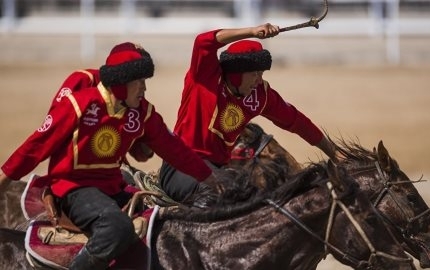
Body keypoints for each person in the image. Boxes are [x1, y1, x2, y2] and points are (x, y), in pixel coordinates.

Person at [0, 42, 217, 269]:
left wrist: (208, 177)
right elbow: (36, 145)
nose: (144, 88)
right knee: (117, 227)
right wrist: (4, 180)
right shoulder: (79, 104)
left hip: (113, 187)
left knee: (162, 219)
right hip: (73, 189)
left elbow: (174, 149)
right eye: (140, 82)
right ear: (121, 84)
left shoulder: (142, 113)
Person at [159, 23, 342, 204]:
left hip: (219, 169)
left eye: (261, 73)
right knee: (221, 193)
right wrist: (252, 31)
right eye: (254, 74)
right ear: (236, 72)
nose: (258, 80)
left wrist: (333, 152)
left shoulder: (260, 96)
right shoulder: (205, 77)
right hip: (181, 165)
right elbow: (203, 41)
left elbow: (296, 121)